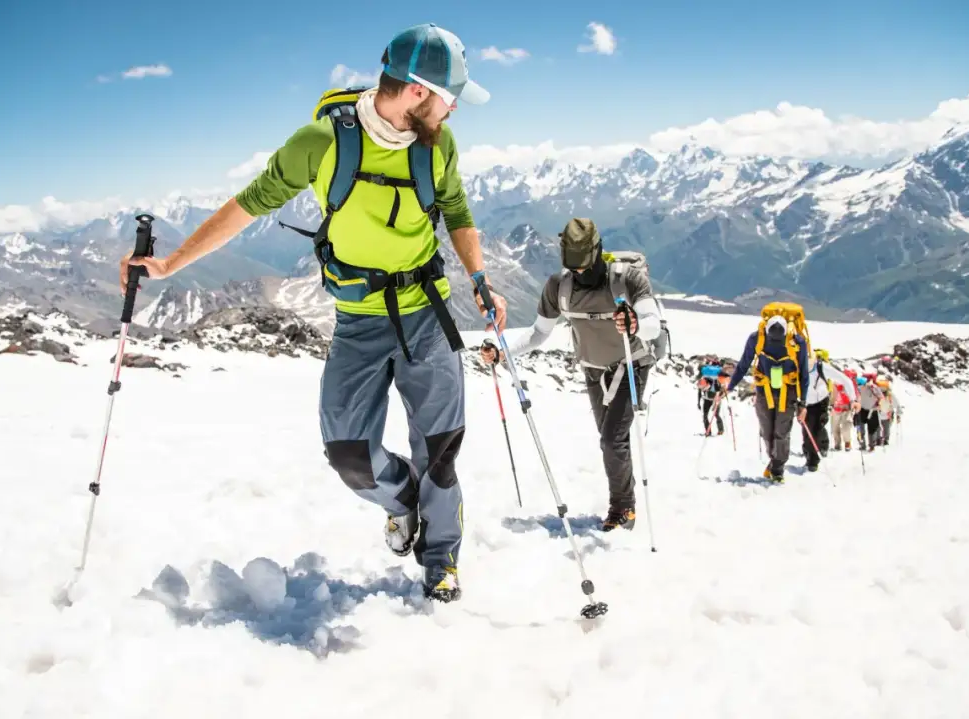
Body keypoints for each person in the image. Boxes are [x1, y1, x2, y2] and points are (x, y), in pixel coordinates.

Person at [118, 23, 504, 603]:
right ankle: (403, 500)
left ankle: (440, 556)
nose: (453, 112)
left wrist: (479, 276)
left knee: (441, 450)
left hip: (427, 312)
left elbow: (455, 209)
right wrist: (172, 263)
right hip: (359, 320)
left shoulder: (438, 146)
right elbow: (248, 203)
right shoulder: (323, 143)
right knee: (349, 453)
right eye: (450, 99)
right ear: (419, 93)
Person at [479, 218, 664, 531]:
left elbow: (652, 323)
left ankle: (623, 509)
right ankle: (623, 502)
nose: (578, 273)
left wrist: (633, 324)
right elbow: (538, 333)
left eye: (583, 266)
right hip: (593, 371)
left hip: (632, 366)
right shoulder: (558, 288)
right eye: (572, 267)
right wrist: (502, 352)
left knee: (611, 441)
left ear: (597, 253)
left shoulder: (628, 279)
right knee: (611, 440)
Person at [725, 313, 809, 482]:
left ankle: (777, 469)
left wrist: (803, 403)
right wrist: (730, 386)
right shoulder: (762, 339)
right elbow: (744, 364)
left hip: (782, 391)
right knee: (768, 431)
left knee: (780, 432)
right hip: (769, 391)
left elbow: (803, 373)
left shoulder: (795, 341)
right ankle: (775, 462)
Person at [802, 349, 856, 470]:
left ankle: (814, 460)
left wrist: (853, 399)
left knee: (817, 427)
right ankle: (809, 456)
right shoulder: (797, 366)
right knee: (806, 431)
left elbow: (845, 380)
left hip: (821, 401)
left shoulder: (822, 368)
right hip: (805, 403)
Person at [831, 368, 860, 451]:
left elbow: (856, 397)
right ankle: (837, 444)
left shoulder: (852, 386)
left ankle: (847, 442)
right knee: (834, 428)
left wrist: (855, 405)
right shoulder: (836, 383)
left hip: (847, 409)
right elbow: (833, 395)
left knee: (846, 427)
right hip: (836, 408)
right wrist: (831, 404)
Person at [856, 374, 886, 451]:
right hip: (862, 409)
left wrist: (881, 407)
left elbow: (881, 398)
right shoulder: (858, 388)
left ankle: (871, 445)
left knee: (871, 429)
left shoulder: (873, 388)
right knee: (860, 427)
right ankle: (863, 445)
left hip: (872, 410)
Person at [697, 363, 726, 436]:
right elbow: (700, 391)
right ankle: (719, 430)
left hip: (710, 398)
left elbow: (699, 392)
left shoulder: (705, 378)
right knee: (715, 414)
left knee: (706, 415)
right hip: (714, 398)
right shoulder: (705, 378)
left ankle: (710, 431)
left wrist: (698, 402)